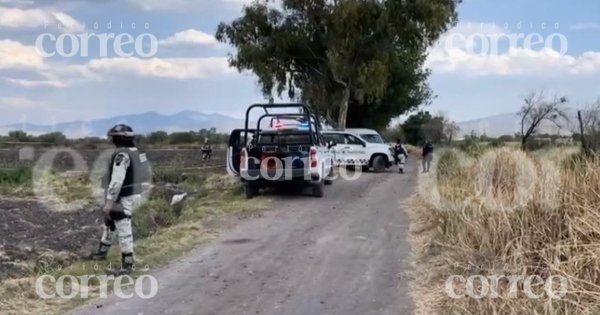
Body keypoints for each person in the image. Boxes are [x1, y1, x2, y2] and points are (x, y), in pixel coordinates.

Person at [88, 124, 151, 276]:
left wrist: (109, 202)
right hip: (135, 193)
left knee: (123, 227)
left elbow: (117, 181)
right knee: (110, 222)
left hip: (124, 195)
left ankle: (127, 264)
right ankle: (102, 253)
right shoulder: (138, 151)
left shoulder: (121, 155)